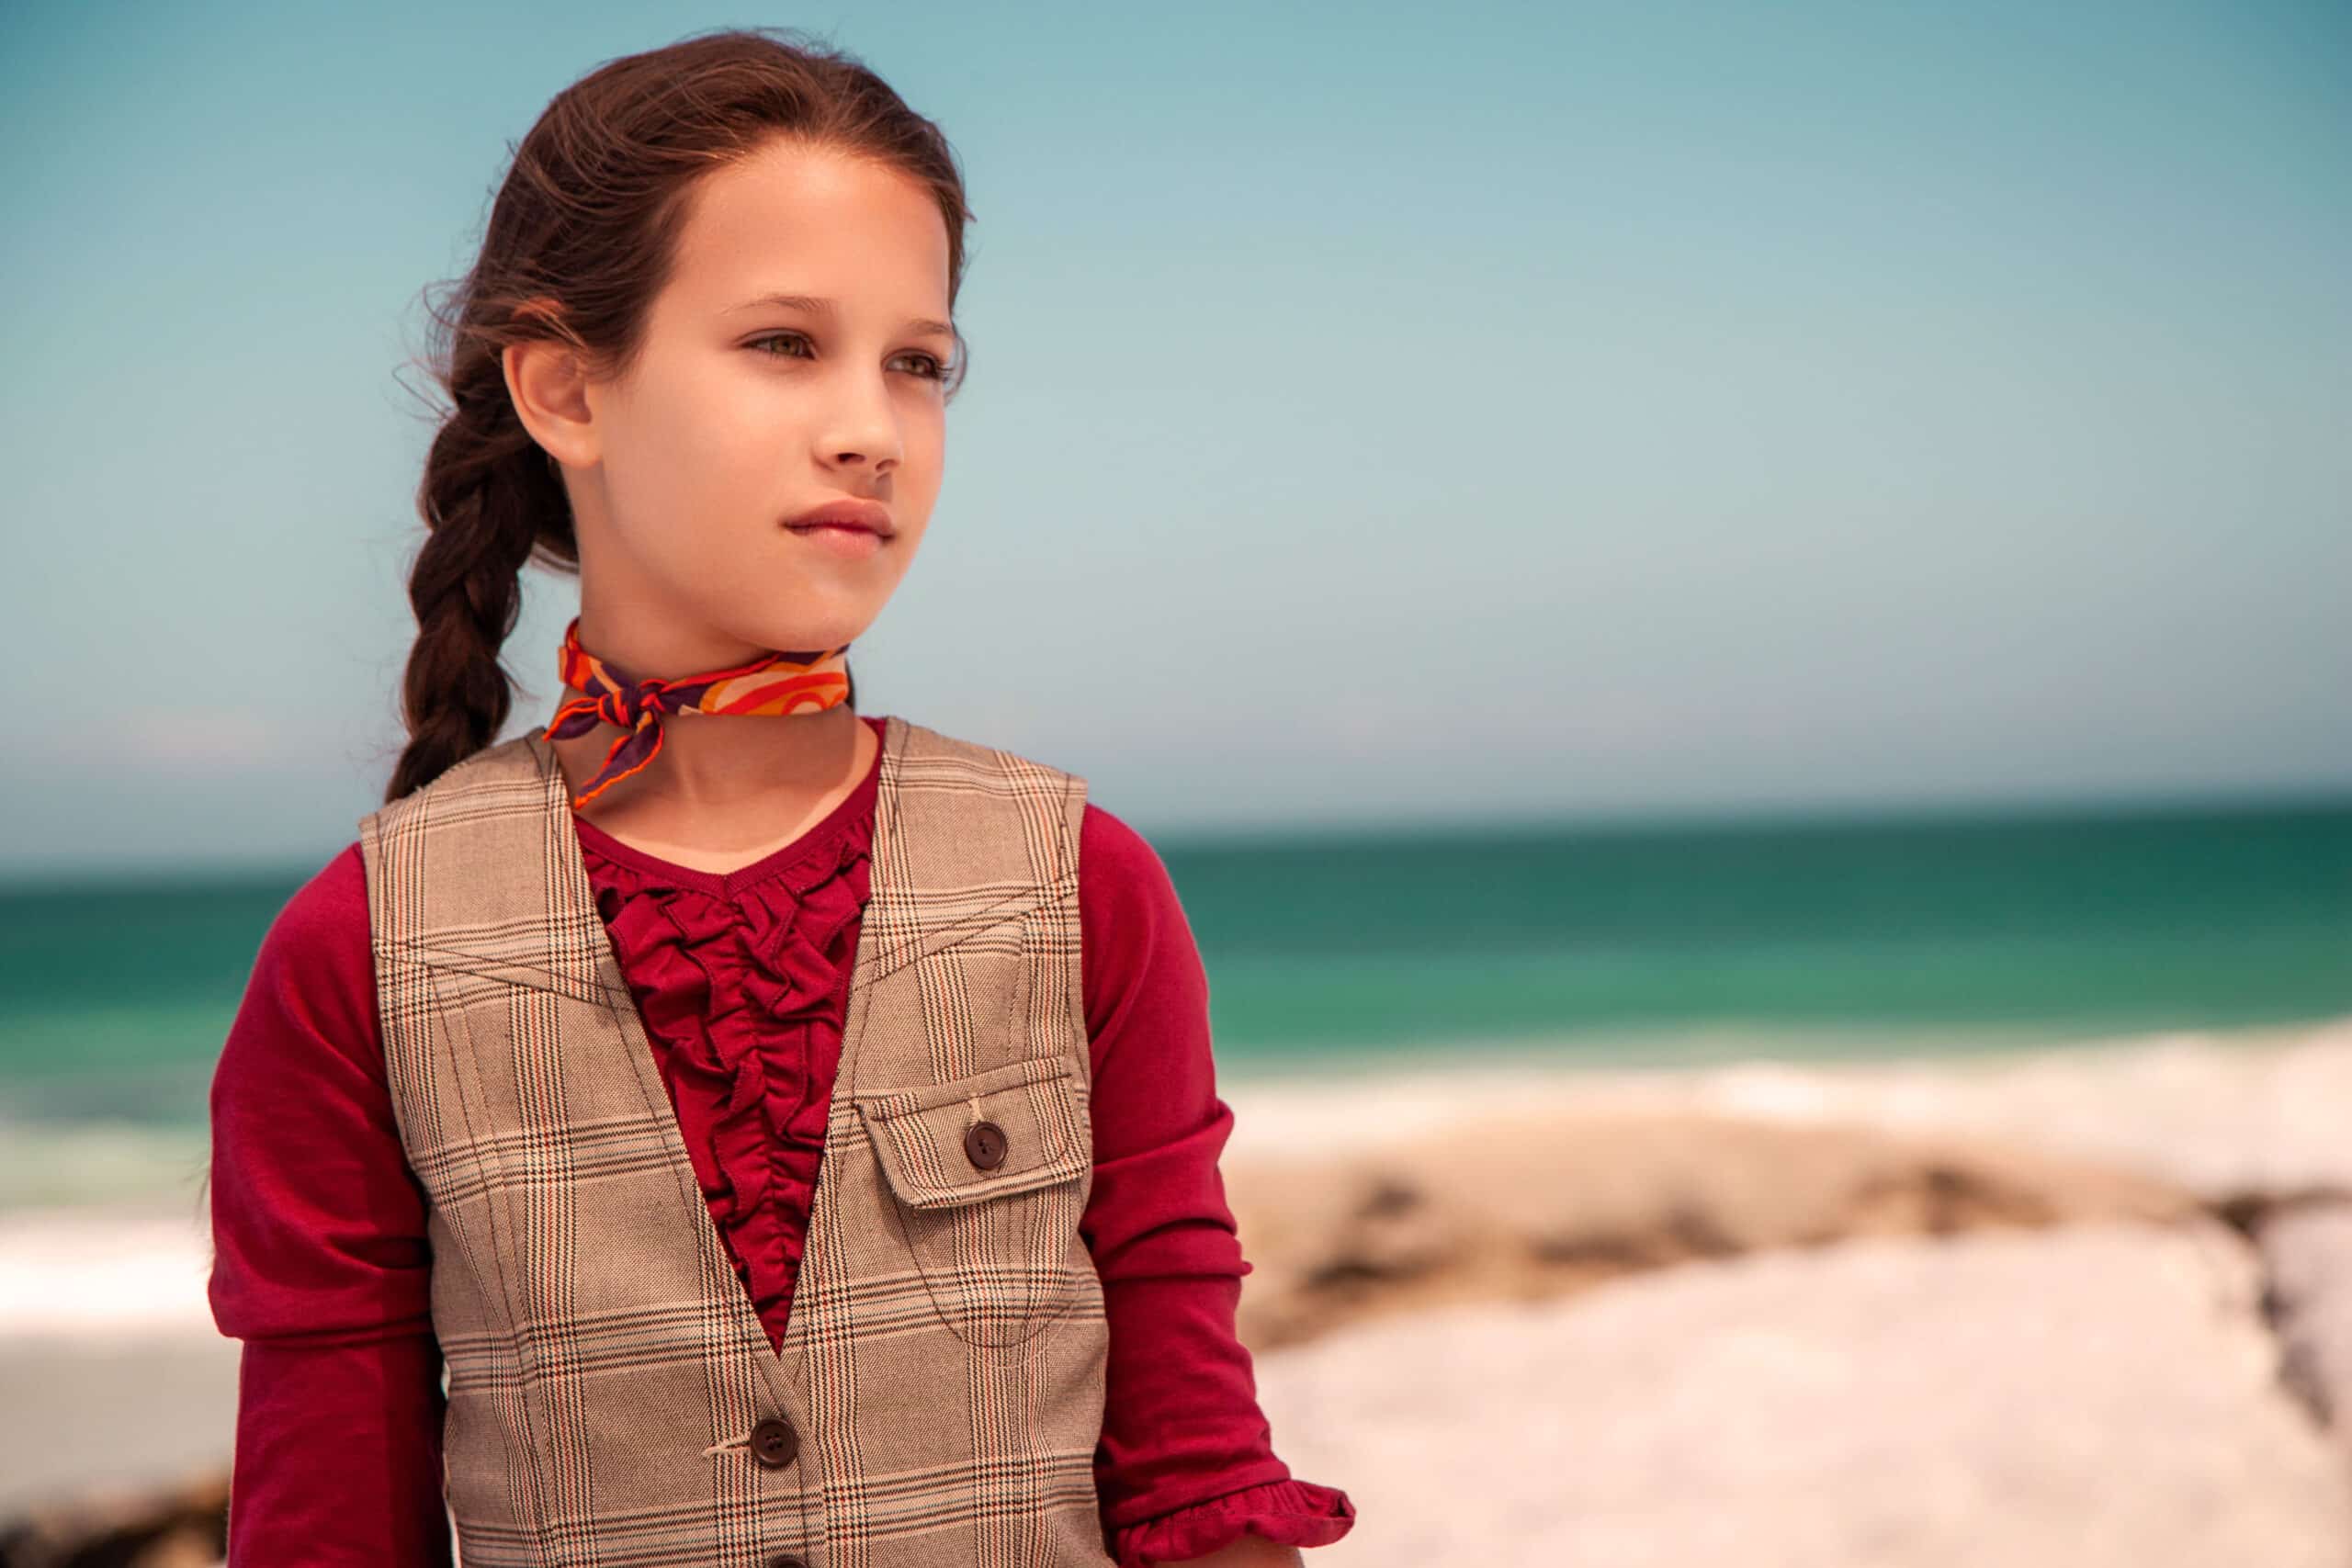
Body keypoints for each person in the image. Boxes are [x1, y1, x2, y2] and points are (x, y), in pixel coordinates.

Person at [203, 27, 1357, 1568]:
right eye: (783, 344)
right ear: (564, 389)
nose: (872, 430)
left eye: (919, 364)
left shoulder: (1079, 883)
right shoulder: (359, 946)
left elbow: (1200, 1484)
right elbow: (327, 1529)